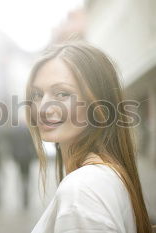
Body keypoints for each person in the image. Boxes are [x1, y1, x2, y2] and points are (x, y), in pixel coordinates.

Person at [26, 41, 153, 233]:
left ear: (99, 104)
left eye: (62, 93)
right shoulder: (102, 177)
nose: (42, 108)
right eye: (37, 94)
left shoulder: (83, 189)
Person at [6, 117, 36, 209]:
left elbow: (10, 145)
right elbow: (32, 144)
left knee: (20, 175)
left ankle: (22, 190)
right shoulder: (28, 130)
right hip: (27, 157)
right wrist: (35, 155)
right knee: (27, 176)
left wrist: (12, 156)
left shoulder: (13, 131)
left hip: (18, 157)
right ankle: (25, 192)